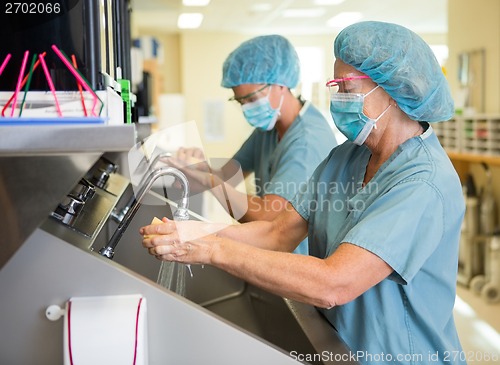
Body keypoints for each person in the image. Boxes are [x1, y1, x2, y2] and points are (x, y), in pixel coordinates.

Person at [142, 21, 466, 365]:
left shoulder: (422, 182)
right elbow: (278, 231)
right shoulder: (346, 158)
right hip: (341, 346)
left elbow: (334, 284)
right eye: (334, 85)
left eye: (347, 87)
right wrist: (201, 231)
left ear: (393, 88)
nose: (337, 97)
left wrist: (211, 248)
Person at [171, 34, 336, 255]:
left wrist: (209, 180)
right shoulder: (268, 130)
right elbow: (227, 174)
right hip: (277, 256)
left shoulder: (306, 141)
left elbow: (269, 216)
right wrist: (198, 168)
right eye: (241, 102)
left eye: (251, 99)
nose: (247, 108)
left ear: (280, 85)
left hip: (302, 259)